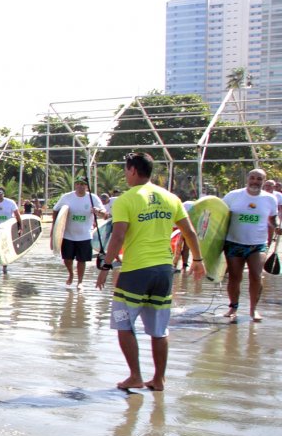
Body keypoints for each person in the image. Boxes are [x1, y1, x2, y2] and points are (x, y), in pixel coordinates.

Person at [96, 151, 203, 391]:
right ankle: (159, 379)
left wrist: (106, 265)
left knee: (123, 323)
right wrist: (198, 259)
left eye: (126, 170)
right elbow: (190, 232)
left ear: (133, 170)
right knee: (159, 329)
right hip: (164, 271)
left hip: (136, 272)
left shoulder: (127, 199)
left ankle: (135, 376)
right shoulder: (170, 197)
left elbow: (118, 235)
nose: (126, 174)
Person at [222, 168, 278, 322]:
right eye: (252, 178)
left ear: (264, 181)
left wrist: (277, 226)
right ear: (248, 178)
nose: (255, 181)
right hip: (234, 242)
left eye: (259, 179)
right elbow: (219, 216)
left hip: (257, 244)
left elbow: (273, 219)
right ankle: (233, 307)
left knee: (256, 276)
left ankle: (254, 310)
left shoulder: (270, 199)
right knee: (234, 277)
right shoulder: (233, 196)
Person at [51, 179, 106, 288]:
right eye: (78, 184)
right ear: (75, 185)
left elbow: (104, 214)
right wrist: (54, 231)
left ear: (87, 186)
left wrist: (98, 211)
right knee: (67, 259)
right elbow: (55, 210)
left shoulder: (92, 198)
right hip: (68, 235)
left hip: (85, 235)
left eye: (83, 184)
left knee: (82, 260)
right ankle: (71, 274)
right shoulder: (67, 197)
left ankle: (80, 281)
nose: (80, 186)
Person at [0, 186, 21, 271]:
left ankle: (5, 263)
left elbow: (17, 215)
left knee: (5, 246)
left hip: (7, 228)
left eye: (0, 193)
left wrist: (20, 227)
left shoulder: (10, 202)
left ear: (3, 194)